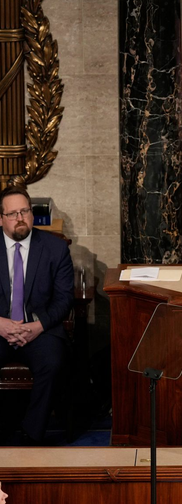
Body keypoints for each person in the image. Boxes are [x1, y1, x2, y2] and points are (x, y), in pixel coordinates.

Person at [0, 186, 74, 444]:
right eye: (12, 213)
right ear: (1, 219)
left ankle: (32, 435)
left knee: (52, 362)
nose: (20, 218)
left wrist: (38, 326)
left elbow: (64, 299)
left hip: (40, 329)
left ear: (32, 214)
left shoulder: (56, 248)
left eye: (25, 211)